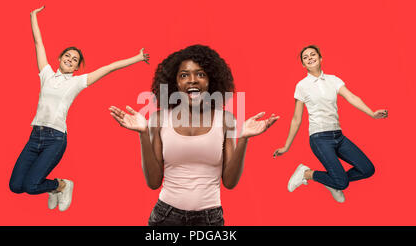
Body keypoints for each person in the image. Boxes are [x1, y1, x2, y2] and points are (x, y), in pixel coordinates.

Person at [109, 44, 279, 225]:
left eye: (200, 74)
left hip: (210, 218)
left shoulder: (225, 119)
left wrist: (244, 139)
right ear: (175, 83)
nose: (192, 80)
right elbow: (153, 182)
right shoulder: (159, 119)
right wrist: (143, 134)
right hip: (166, 217)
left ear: (211, 80)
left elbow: (229, 182)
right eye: (184, 75)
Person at [9, 6, 149, 212]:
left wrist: (136, 58)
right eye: (67, 55)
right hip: (34, 136)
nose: (70, 59)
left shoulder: (77, 82)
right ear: (59, 58)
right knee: (15, 187)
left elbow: (109, 68)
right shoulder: (46, 74)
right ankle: (54, 188)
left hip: (55, 139)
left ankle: (63, 185)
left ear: (76, 68)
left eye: (75, 60)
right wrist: (32, 16)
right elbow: (38, 42)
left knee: (31, 186)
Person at [273, 45, 388, 203]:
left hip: (338, 136)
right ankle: (307, 173)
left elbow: (352, 98)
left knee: (368, 169)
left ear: (321, 58)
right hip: (319, 138)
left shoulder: (334, 80)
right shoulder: (302, 86)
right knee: (342, 182)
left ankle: (332, 181)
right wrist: (286, 146)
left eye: (313, 55)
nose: (310, 58)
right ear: (303, 65)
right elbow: (296, 118)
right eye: (305, 58)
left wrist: (372, 113)